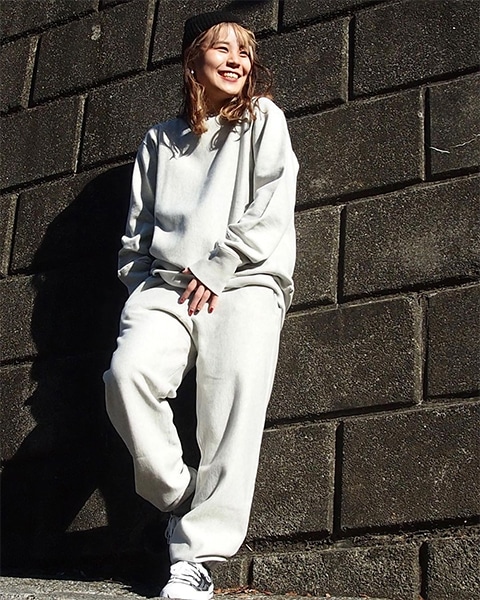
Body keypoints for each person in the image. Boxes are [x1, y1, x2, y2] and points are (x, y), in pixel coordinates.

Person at [103, 10, 298, 600]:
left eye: (245, 50)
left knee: (231, 405)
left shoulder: (262, 119)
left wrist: (218, 267)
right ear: (194, 59)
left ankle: (196, 556)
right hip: (168, 287)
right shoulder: (159, 140)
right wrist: (143, 288)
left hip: (244, 280)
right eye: (222, 49)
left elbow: (271, 202)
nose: (237, 60)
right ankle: (179, 494)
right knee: (126, 375)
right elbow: (136, 237)